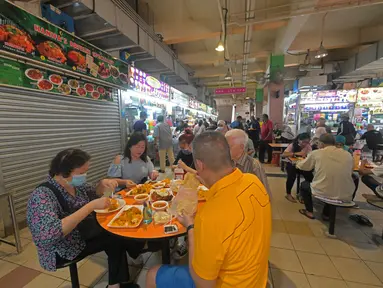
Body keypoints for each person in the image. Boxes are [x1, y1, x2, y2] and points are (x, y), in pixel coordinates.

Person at [146, 132, 271, 288]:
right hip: (257, 280)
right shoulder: (253, 182)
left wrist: (191, 227)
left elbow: (203, 283)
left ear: (200, 165)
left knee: (152, 273)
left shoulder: (209, 217)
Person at [27, 149, 139, 288]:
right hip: (61, 248)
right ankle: (135, 253)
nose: (84, 176)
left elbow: (95, 192)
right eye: (81, 173)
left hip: (81, 233)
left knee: (115, 232)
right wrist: (89, 207)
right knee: (115, 238)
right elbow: (49, 235)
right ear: (63, 173)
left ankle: (119, 278)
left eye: (86, 172)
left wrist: (103, 184)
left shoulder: (75, 185)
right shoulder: (42, 195)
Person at [296, 134, 356, 219]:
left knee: (305, 185)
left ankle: (309, 211)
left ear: (322, 144)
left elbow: (304, 166)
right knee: (332, 185)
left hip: (324, 191)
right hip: (346, 193)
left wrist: (297, 163)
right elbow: (351, 170)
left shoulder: (317, 153)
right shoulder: (347, 154)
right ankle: (326, 214)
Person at [226, 129, 271, 196]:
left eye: (228, 147)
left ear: (241, 147)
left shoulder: (254, 165)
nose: (224, 150)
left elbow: (264, 193)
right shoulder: (225, 162)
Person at [282, 133, 314, 203]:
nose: (305, 144)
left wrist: (306, 156)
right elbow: (284, 154)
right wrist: (295, 154)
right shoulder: (292, 145)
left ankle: (302, 193)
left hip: (302, 165)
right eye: (303, 142)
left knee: (309, 176)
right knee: (291, 176)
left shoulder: (308, 147)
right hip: (292, 164)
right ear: (299, 140)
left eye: (307, 142)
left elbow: (311, 156)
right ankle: (288, 194)